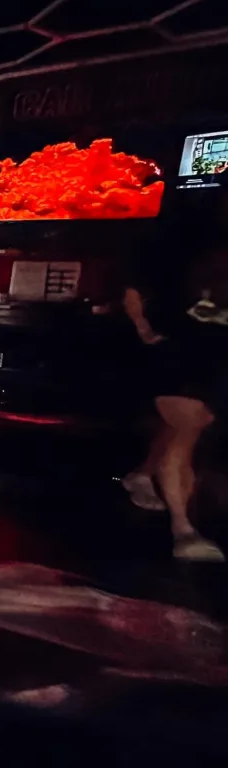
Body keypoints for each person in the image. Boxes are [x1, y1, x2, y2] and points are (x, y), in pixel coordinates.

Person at [123, 191, 228, 562]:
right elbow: (134, 293)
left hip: (205, 353)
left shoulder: (189, 243)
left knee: (187, 426)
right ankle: (183, 529)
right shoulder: (175, 246)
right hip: (178, 353)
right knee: (187, 428)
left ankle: (143, 476)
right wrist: (145, 333)